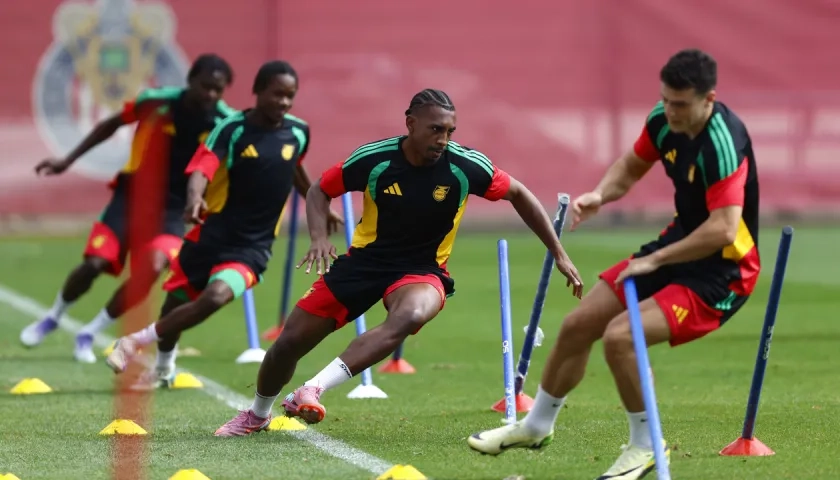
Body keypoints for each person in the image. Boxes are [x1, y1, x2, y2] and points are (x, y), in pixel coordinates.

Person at [213, 88, 585, 437]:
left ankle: (312, 389)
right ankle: (257, 415)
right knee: (289, 342)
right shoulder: (373, 160)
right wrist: (319, 237)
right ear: (410, 124)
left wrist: (558, 251)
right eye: (435, 129)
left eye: (450, 131)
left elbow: (518, 193)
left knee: (409, 317)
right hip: (365, 263)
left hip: (423, 270)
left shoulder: (464, 166)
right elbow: (319, 190)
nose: (443, 139)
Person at [467, 49, 760, 479]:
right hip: (680, 245)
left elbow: (722, 229)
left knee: (621, 338)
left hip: (724, 273)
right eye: (666, 99)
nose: (670, 111)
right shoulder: (664, 121)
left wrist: (655, 259)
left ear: (708, 99)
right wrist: (600, 195)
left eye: (680, 103)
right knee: (577, 325)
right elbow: (632, 165)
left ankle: (645, 448)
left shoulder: (722, 142)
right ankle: (535, 425)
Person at [104, 60, 343, 389]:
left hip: (252, 248)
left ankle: (133, 342)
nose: (284, 103)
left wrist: (317, 204)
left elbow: (293, 168)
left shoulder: (298, 131)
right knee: (175, 304)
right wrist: (194, 199)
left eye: (290, 96)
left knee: (215, 297)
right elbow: (202, 168)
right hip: (210, 236)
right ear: (257, 91)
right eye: (277, 95)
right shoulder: (232, 129)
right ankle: (163, 368)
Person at [20, 54, 237, 363]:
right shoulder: (155, 102)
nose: (211, 95)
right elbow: (110, 125)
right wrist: (67, 160)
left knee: (151, 268)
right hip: (131, 197)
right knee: (95, 263)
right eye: (206, 87)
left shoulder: (224, 124)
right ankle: (53, 316)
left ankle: (90, 331)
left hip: (174, 211)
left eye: (218, 90)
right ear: (190, 80)